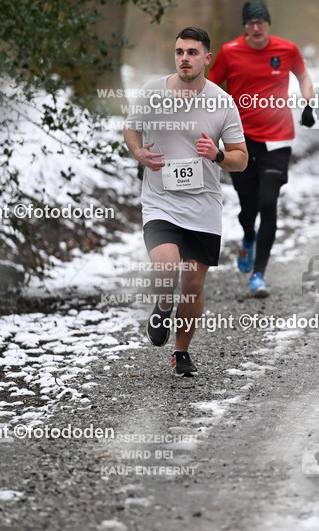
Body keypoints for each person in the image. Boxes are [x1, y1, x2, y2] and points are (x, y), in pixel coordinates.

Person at [125, 27, 249, 377]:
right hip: (160, 200)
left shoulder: (222, 102)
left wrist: (218, 154)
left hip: (203, 205)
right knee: (166, 267)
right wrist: (138, 152)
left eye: (192, 52)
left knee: (193, 282)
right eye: (179, 51)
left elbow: (242, 158)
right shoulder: (152, 91)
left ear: (207, 58)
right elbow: (131, 128)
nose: (184, 58)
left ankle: (181, 353)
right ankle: (164, 305)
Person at [209, 2, 314, 297]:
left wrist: (308, 102)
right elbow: (211, 87)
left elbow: (303, 76)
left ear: (269, 23)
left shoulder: (287, 50)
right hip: (240, 140)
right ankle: (248, 236)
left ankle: (258, 275)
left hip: (278, 140)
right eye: (250, 23)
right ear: (245, 26)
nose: (256, 28)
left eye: (261, 22)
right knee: (248, 207)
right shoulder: (230, 52)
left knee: (268, 202)